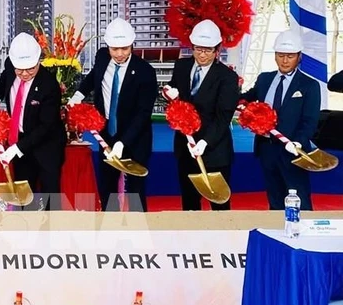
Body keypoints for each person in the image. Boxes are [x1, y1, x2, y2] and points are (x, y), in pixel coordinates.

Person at [69, 18, 157, 212]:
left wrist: (122, 142)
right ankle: (109, 229)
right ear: (107, 46)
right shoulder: (102, 57)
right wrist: (78, 94)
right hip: (106, 135)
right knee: (107, 186)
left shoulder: (145, 72)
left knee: (135, 192)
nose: (119, 54)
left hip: (135, 139)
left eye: (124, 48)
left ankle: (137, 232)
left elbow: (143, 115)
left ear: (132, 45)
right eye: (114, 49)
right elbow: (93, 77)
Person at [240, 30, 320, 210]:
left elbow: (310, 120)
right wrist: (232, 88)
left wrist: (298, 143)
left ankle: (303, 233)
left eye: (290, 56)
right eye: (281, 55)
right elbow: (247, 98)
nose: (285, 60)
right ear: (275, 56)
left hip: (293, 152)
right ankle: (276, 233)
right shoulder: (264, 79)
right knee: (274, 198)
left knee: (298, 197)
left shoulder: (309, 85)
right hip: (267, 149)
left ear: (299, 57)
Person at [165, 19, 239, 211]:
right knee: (189, 204)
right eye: (198, 49)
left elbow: (224, 116)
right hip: (185, 148)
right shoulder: (181, 67)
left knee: (219, 206)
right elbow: (175, 99)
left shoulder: (227, 77)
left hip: (214, 151)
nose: (202, 54)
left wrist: (205, 142)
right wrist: (167, 93)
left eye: (207, 50)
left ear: (217, 50)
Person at [0, 32, 65, 210]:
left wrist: (17, 148)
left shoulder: (49, 85)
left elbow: (46, 126)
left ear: (38, 61)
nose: (25, 73)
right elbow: (4, 81)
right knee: (24, 194)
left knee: (50, 196)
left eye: (30, 68)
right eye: (19, 69)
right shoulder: (10, 67)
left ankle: (52, 232)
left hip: (47, 147)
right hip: (20, 141)